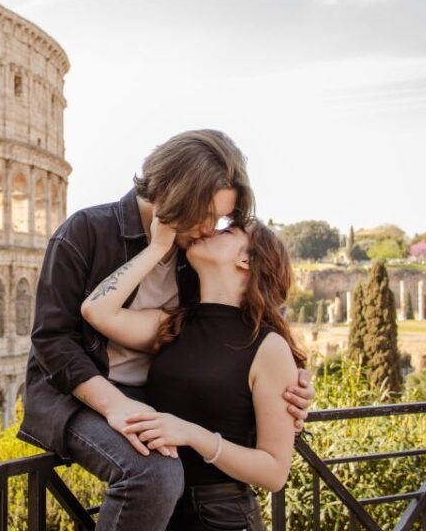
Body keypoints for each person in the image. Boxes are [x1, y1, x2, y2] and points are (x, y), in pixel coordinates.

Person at [18, 130, 315, 530]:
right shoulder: (86, 230)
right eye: (209, 216)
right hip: (79, 395)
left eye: (222, 221)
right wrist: (115, 405)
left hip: (161, 413)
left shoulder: (194, 255)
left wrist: (294, 381)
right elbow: (53, 339)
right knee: (154, 474)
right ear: (178, 196)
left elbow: (254, 315)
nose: (212, 228)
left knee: (160, 476)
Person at [82, 216, 305, 530]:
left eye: (227, 230)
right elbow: (96, 311)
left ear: (246, 259)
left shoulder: (269, 347)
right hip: (158, 509)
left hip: (221, 517)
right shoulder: (173, 324)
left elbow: (274, 472)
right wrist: (158, 246)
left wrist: (191, 434)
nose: (210, 228)